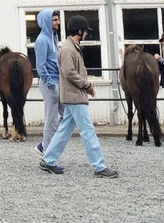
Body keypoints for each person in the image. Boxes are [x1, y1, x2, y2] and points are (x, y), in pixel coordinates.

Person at [39, 15, 118, 178]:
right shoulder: (68, 49)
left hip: (73, 94)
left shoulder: (71, 47)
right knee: (88, 130)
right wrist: (86, 84)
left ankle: (48, 160)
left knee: (64, 130)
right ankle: (99, 166)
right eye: (85, 32)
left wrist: (85, 86)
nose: (87, 34)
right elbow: (69, 72)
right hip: (74, 95)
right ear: (79, 31)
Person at [33, 9, 62, 155]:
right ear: (46, 21)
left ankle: (45, 145)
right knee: (51, 119)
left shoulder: (54, 37)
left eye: (58, 19)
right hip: (50, 84)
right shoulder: (42, 40)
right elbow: (40, 65)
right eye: (54, 20)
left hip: (58, 82)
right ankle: (48, 152)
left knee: (68, 115)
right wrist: (51, 84)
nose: (58, 22)